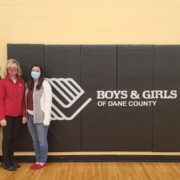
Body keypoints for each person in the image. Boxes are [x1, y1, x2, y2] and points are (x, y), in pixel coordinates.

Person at [0, 59, 26, 171]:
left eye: (14, 68)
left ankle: (11, 161)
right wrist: (1, 117)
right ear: (7, 69)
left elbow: (23, 101)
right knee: (7, 138)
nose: (13, 69)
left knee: (15, 138)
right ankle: (5, 162)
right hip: (7, 116)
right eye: (10, 68)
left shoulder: (22, 82)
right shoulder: (3, 82)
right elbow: (0, 100)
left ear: (17, 69)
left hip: (18, 115)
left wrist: (24, 115)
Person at [25, 65, 52, 170]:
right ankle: (37, 159)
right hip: (30, 116)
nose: (34, 72)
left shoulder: (45, 84)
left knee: (42, 140)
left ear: (41, 73)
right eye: (33, 70)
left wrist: (46, 119)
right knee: (35, 140)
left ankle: (42, 161)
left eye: (37, 71)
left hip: (40, 117)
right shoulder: (28, 84)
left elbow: (48, 102)